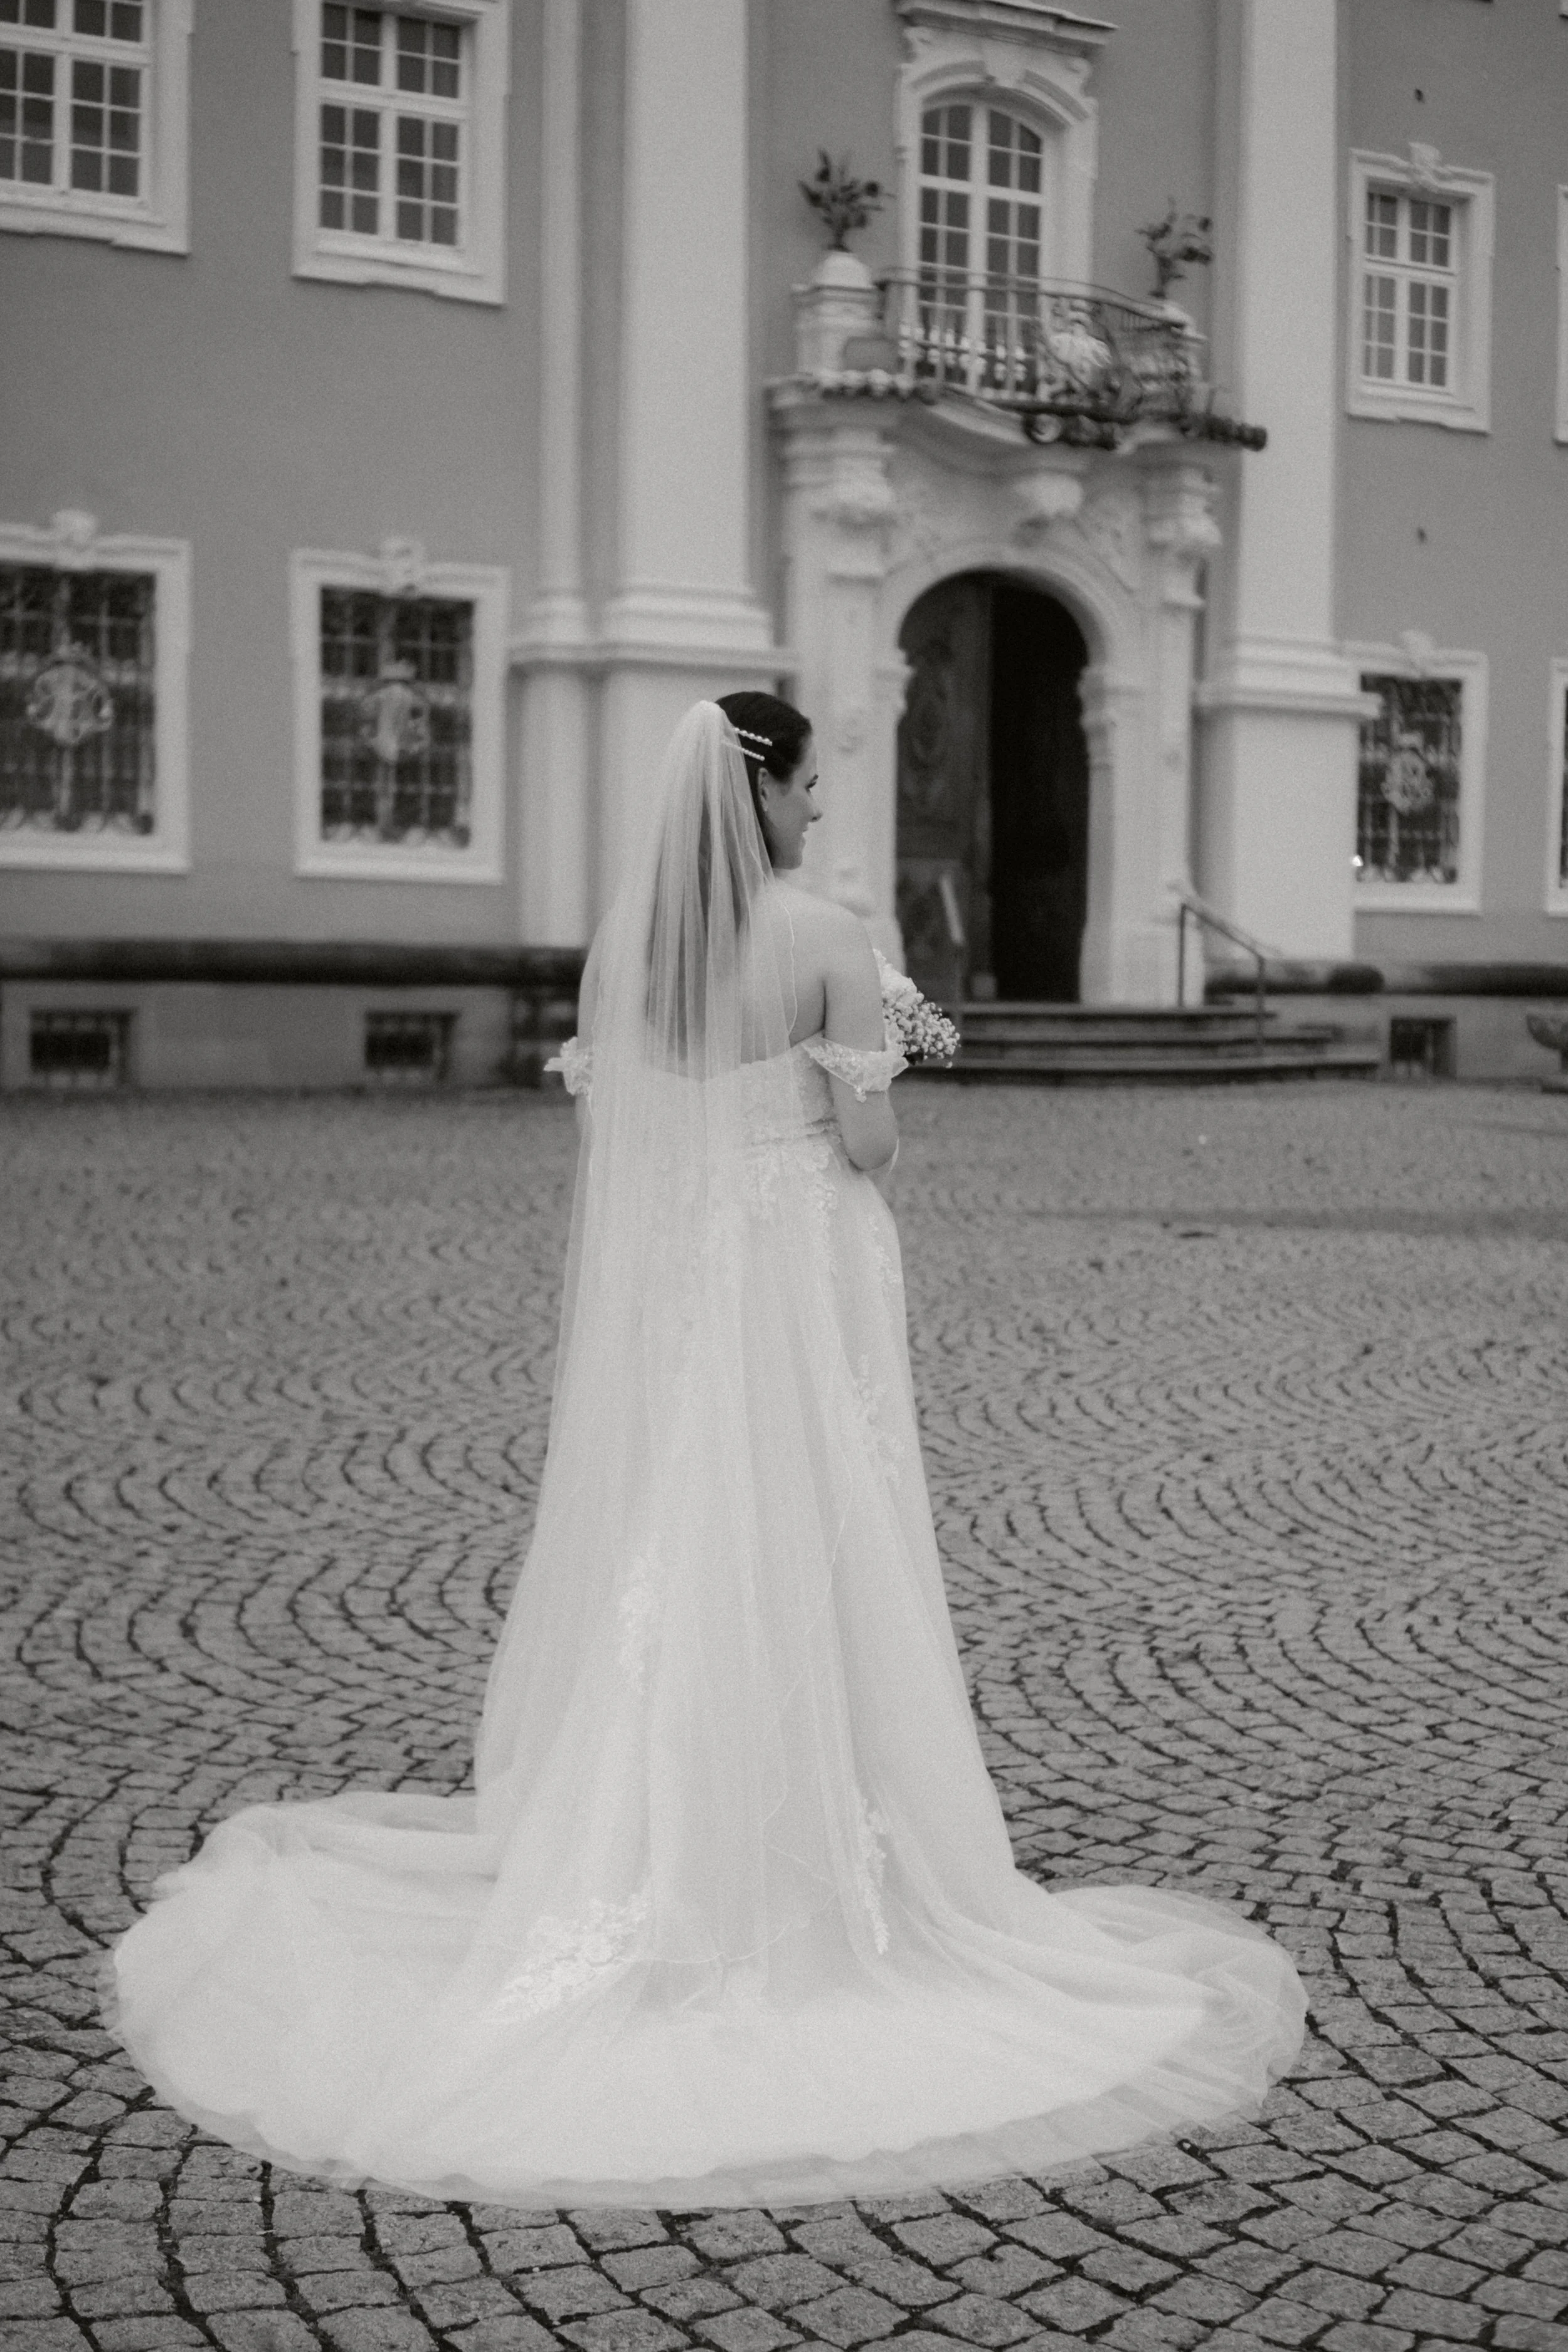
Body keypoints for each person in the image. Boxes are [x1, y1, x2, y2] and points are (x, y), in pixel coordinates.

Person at [109, 696, 1305, 2210]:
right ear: (762, 798)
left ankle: (655, 1826)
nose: (818, 813)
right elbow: (865, 1148)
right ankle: (818, 1850)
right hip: (798, 1279)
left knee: (684, 1536)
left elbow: (641, 1127)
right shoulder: (815, 935)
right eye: (808, 787)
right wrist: (852, 1075)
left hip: (689, 1293)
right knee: (817, 1530)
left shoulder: (633, 951)